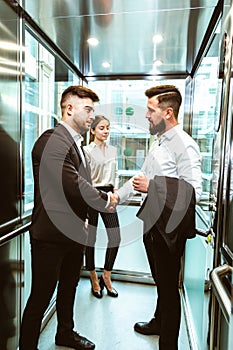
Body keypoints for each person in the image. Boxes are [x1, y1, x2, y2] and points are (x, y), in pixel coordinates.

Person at [18, 85, 117, 350]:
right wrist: (106, 199)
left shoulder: (75, 144)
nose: (92, 116)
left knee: (69, 288)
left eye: (93, 110)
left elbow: (76, 188)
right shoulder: (51, 140)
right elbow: (73, 185)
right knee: (40, 297)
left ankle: (65, 333)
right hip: (50, 236)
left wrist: (84, 217)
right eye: (88, 110)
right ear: (69, 108)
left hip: (74, 232)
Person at [114, 85, 202, 350]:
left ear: (168, 112)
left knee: (168, 287)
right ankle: (158, 321)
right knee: (160, 282)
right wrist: (117, 196)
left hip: (169, 229)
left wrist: (153, 187)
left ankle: (168, 344)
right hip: (153, 224)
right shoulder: (160, 143)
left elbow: (193, 191)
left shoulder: (185, 144)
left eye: (150, 111)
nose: (146, 116)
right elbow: (141, 177)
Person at [84, 116, 121, 298]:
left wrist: (115, 193)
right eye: (101, 128)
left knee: (115, 237)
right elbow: (84, 179)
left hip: (109, 194)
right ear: (92, 131)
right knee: (90, 238)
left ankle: (106, 275)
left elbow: (115, 174)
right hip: (92, 194)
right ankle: (93, 276)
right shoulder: (86, 151)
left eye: (107, 128)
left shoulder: (113, 150)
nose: (106, 131)